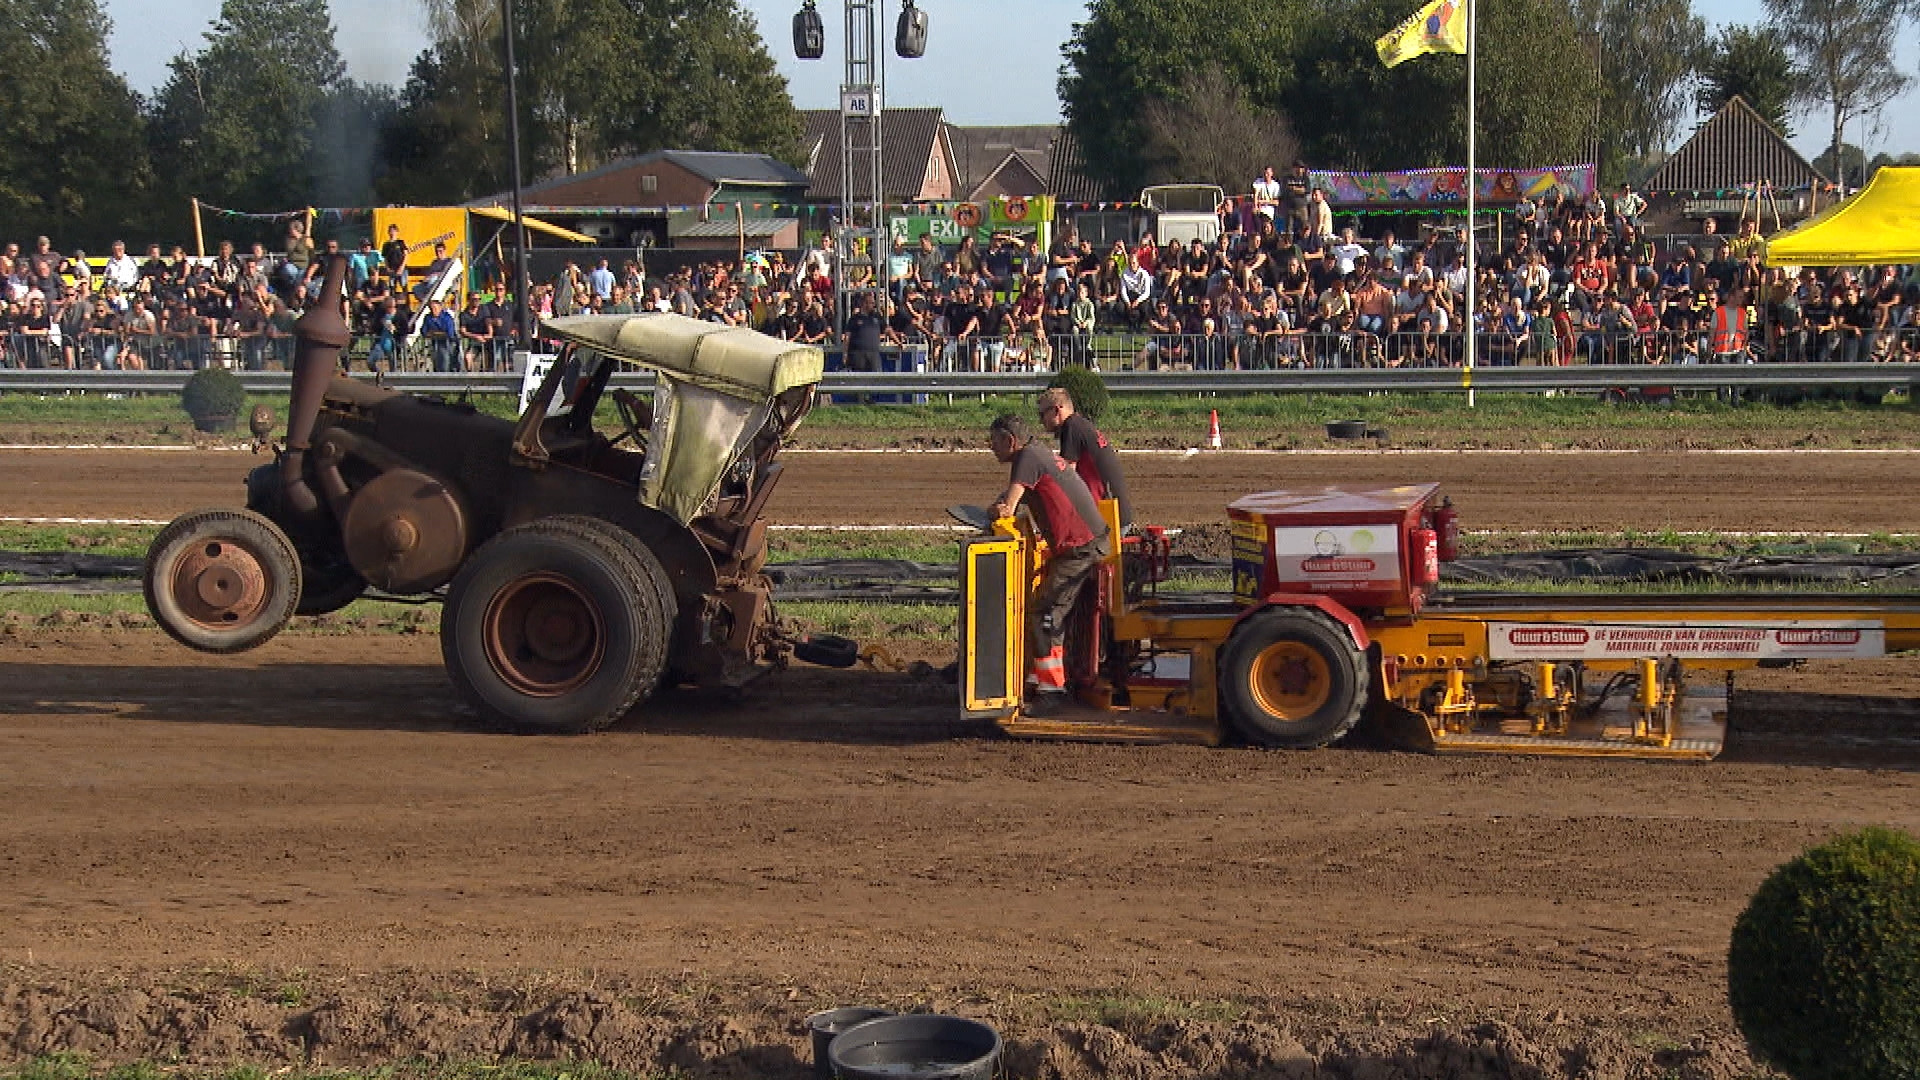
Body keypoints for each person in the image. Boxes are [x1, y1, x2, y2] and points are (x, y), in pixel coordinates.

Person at [984, 414, 1111, 715]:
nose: (991, 448)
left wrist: (994, 512)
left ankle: (1052, 690)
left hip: (1079, 549)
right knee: (1042, 607)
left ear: (1010, 440)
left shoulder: (1027, 458)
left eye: (994, 442)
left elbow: (1007, 508)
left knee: (1045, 613)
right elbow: (1010, 497)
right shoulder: (1037, 454)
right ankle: (1036, 675)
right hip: (1085, 543)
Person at [1037, 387, 1132, 531]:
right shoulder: (1080, 424)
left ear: (1056, 410)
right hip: (1116, 513)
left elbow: (1066, 476)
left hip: (1107, 518)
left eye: (1042, 414)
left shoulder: (1071, 427)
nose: (1041, 420)